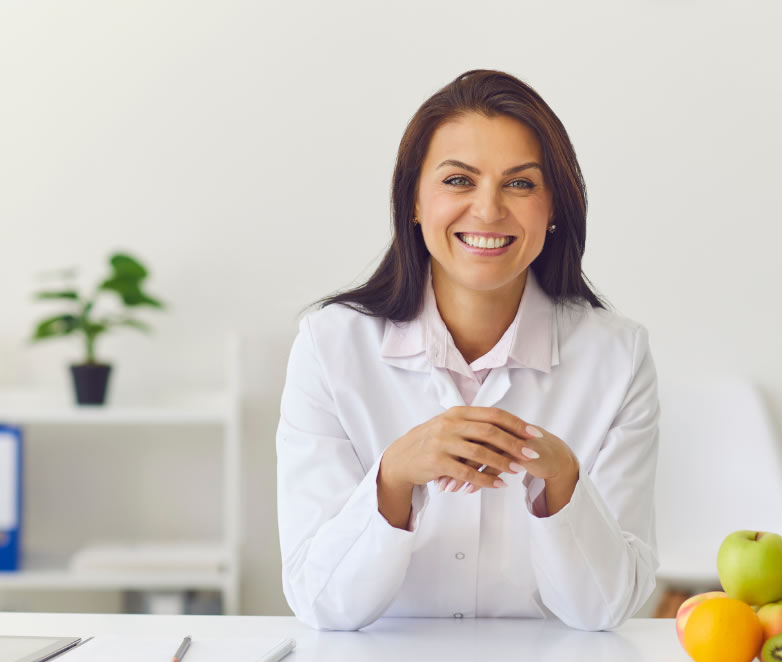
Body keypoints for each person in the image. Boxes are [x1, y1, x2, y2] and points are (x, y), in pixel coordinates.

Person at [276, 69, 660, 631]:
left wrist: (561, 481)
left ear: (554, 207)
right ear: (413, 200)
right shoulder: (329, 347)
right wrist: (395, 477)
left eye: (521, 183)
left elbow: (604, 611)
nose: (487, 210)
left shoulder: (618, 356)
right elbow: (321, 604)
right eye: (459, 180)